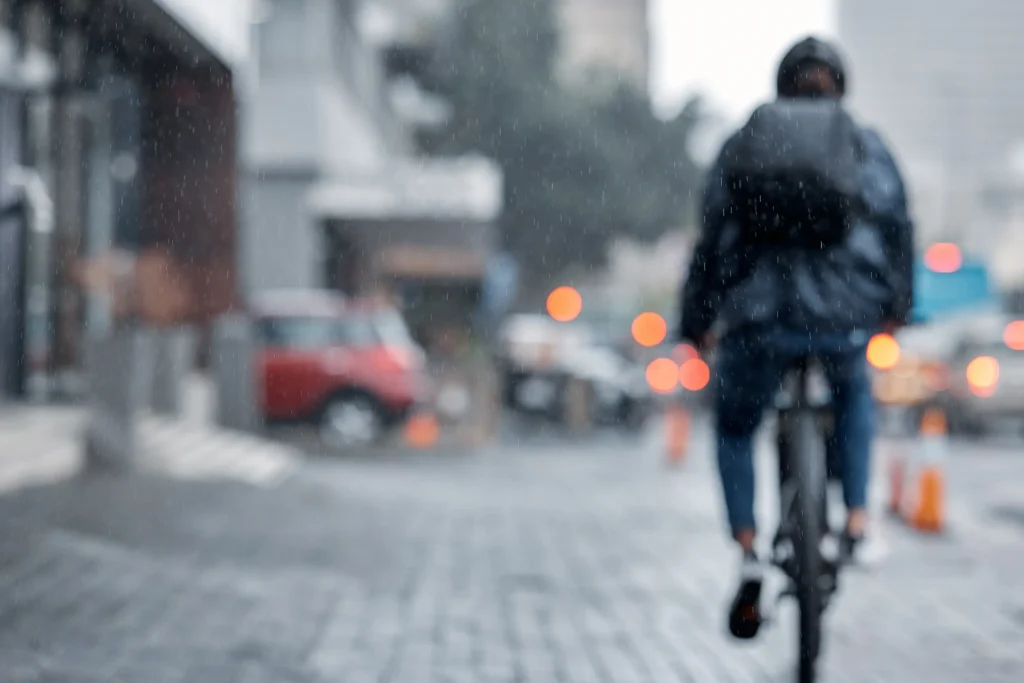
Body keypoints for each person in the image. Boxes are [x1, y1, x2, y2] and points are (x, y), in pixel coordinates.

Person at [678, 36, 914, 640]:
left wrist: (697, 320)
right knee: (854, 393)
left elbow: (711, 237)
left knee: (734, 426)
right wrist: (895, 307)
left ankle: (749, 549)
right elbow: (896, 230)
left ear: (781, 85)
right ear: (841, 85)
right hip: (842, 317)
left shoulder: (744, 141)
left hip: (758, 319)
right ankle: (858, 521)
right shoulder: (866, 146)